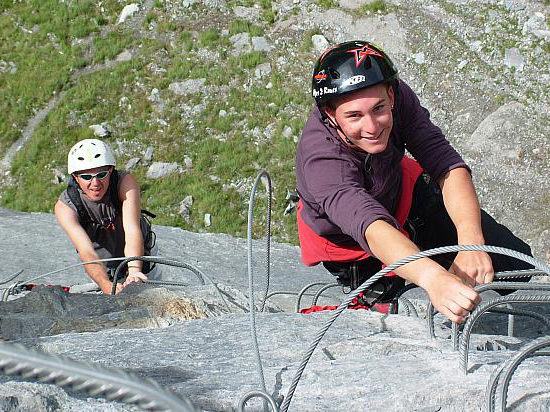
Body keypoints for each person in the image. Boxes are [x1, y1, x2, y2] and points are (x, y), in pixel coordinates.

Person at [295, 40, 533, 322]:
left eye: (379, 109)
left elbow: (445, 163)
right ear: (331, 115)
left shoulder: (395, 97)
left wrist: (471, 242)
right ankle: (373, 292)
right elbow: (368, 225)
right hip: (351, 241)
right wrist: (432, 278)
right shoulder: (321, 159)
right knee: (392, 314)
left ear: (392, 96)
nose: (372, 127)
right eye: (354, 116)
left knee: (516, 264)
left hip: (402, 197)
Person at [55, 139, 160, 294]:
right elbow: (86, 252)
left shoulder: (125, 183)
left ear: (111, 171)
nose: (95, 183)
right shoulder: (65, 207)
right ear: (75, 177)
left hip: (140, 254)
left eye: (101, 174)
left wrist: (134, 271)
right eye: (86, 177)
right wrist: (105, 284)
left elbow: (132, 230)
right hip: (102, 263)